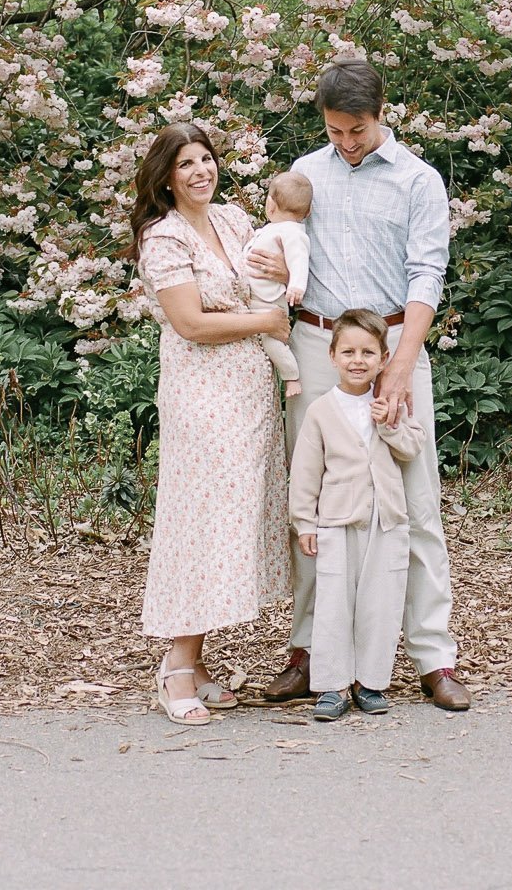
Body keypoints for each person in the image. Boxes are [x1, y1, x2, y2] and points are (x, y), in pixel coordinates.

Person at [251, 60, 471, 712]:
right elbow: (283, 246)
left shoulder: (418, 181)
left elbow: (427, 275)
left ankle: (434, 657)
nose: (347, 141)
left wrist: (401, 364)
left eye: (358, 129)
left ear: (382, 111)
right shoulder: (306, 173)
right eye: (335, 130)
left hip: (395, 345)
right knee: (315, 498)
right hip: (317, 345)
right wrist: (267, 258)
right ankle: (311, 652)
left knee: (415, 496)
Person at [131, 122, 291, 725]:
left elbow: (267, 282)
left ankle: (197, 665)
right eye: (186, 164)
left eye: (206, 159)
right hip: (203, 394)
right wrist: (264, 323)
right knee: (203, 521)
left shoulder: (233, 221)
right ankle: (176, 665)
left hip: (250, 392)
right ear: (166, 178)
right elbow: (192, 323)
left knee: (232, 523)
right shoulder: (163, 238)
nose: (201, 171)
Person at [288, 308, 425, 721]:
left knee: (378, 603)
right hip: (336, 521)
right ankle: (331, 685)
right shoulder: (321, 411)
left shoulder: (390, 405)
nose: (357, 360)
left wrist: (390, 425)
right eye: (348, 351)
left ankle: (371, 682)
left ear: (383, 359)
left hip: (385, 519)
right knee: (333, 602)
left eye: (368, 352)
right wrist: (304, 522)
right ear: (332, 356)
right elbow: (306, 471)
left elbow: (412, 447)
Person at [243, 170, 313, 398]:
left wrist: (296, 286)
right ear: (308, 211)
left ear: (269, 204)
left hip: (269, 301)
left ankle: (291, 377)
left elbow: (299, 260)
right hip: (257, 298)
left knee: (272, 342)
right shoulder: (272, 229)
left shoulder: (293, 233)